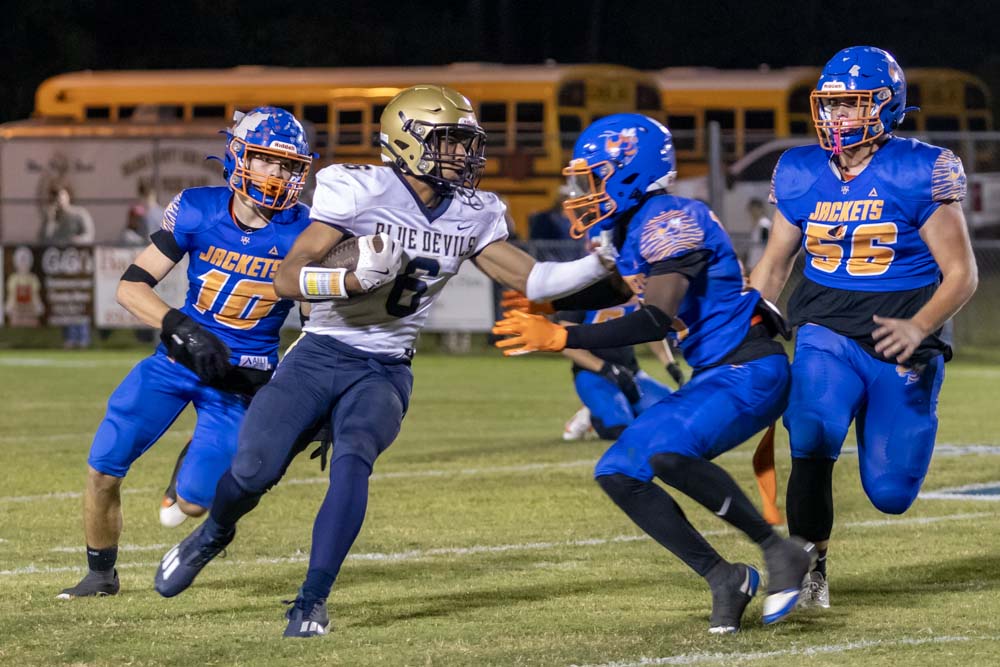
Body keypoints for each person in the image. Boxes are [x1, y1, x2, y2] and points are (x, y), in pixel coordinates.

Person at [153, 85, 618, 637]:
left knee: (354, 459)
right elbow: (286, 278)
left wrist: (599, 261)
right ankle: (213, 534)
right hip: (321, 353)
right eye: (449, 141)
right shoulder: (358, 189)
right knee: (253, 471)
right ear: (407, 140)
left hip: (386, 366)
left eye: (465, 142)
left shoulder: (473, 212)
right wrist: (349, 280)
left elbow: (534, 279)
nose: (462, 154)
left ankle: (311, 600)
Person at [491, 113, 815, 633]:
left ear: (629, 171)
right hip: (717, 372)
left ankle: (780, 552)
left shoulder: (671, 219)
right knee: (618, 470)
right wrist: (550, 307)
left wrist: (562, 336)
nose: (583, 192)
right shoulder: (632, 225)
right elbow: (627, 289)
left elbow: (655, 317)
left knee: (667, 451)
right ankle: (724, 577)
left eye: (593, 177)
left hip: (751, 368)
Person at [749, 46, 979, 611]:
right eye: (831, 104)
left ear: (885, 105)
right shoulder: (800, 170)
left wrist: (920, 326)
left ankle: (891, 421)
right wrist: (747, 326)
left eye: (851, 103)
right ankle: (810, 568)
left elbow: (962, 273)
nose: (838, 115)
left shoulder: (919, 168)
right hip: (824, 330)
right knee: (811, 432)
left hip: (902, 341)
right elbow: (774, 264)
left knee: (891, 493)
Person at [58, 107, 315, 598]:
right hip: (178, 360)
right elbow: (131, 287)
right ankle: (100, 574)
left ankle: (187, 465)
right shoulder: (200, 208)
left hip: (241, 381)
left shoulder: (307, 231)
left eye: (288, 166)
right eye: (267, 160)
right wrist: (182, 328)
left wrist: (310, 395)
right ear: (239, 157)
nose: (278, 174)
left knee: (193, 504)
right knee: (102, 467)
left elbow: (314, 326)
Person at [39, 186, 96, 348]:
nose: (59, 200)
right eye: (56, 197)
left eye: (61, 196)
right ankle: (69, 338)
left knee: (80, 301)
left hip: (79, 267)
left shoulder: (79, 214)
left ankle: (83, 338)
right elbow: (43, 240)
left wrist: (77, 241)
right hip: (60, 268)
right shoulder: (53, 220)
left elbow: (89, 235)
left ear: (68, 196)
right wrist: (50, 220)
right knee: (64, 303)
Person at [4, 246, 45, 327]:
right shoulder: (13, 278)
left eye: (25, 261)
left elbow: (36, 297)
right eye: (21, 261)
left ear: (30, 262)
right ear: (16, 262)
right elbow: (11, 298)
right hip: (17, 312)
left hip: (30, 312)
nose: (23, 264)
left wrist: (36, 308)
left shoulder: (33, 278)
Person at [745, 198, 771, 271]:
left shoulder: (764, 224)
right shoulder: (757, 224)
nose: (753, 213)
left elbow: (767, 245)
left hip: (760, 264)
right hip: (754, 263)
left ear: (761, 209)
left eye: (755, 209)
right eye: (751, 210)